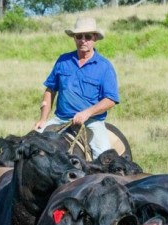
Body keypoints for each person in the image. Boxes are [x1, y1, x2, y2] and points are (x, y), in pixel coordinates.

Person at [33, 16, 119, 159]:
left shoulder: (104, 66)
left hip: (92, 121)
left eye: (88, 36)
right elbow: (50, 89)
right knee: (32, 145)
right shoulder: (63, 60)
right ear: (74, 38)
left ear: (95, 38)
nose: (83, 40)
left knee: (103, 158)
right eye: (79, 36)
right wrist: (43, 119)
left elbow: (110, 99)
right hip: (60, 119)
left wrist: (87, 113)